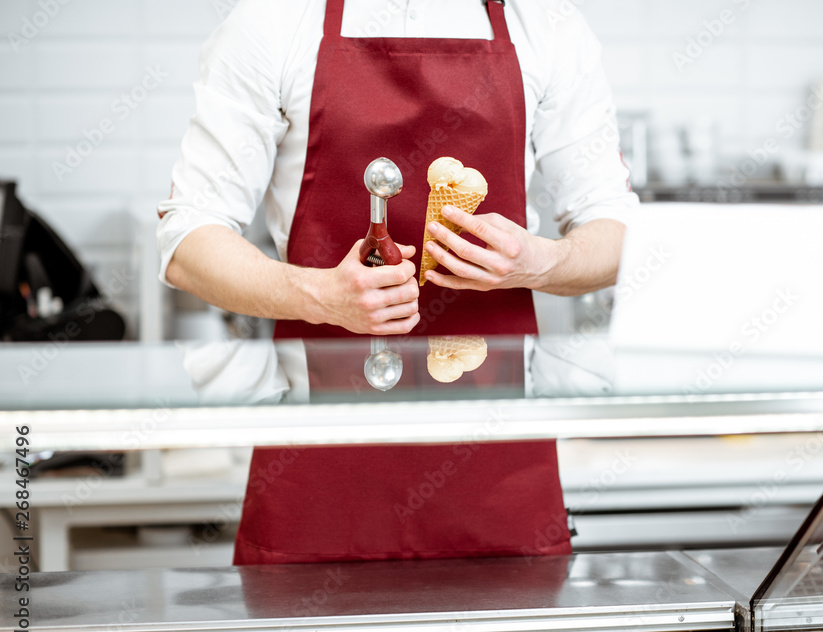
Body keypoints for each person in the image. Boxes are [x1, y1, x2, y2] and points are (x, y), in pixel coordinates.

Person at [157, 0, 639, 565]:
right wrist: (319, 296)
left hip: (495, 466)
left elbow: (618, 232)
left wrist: (539, 263)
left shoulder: (546, 24)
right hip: (321, 463)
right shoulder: (275, 20)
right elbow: (188, 238)